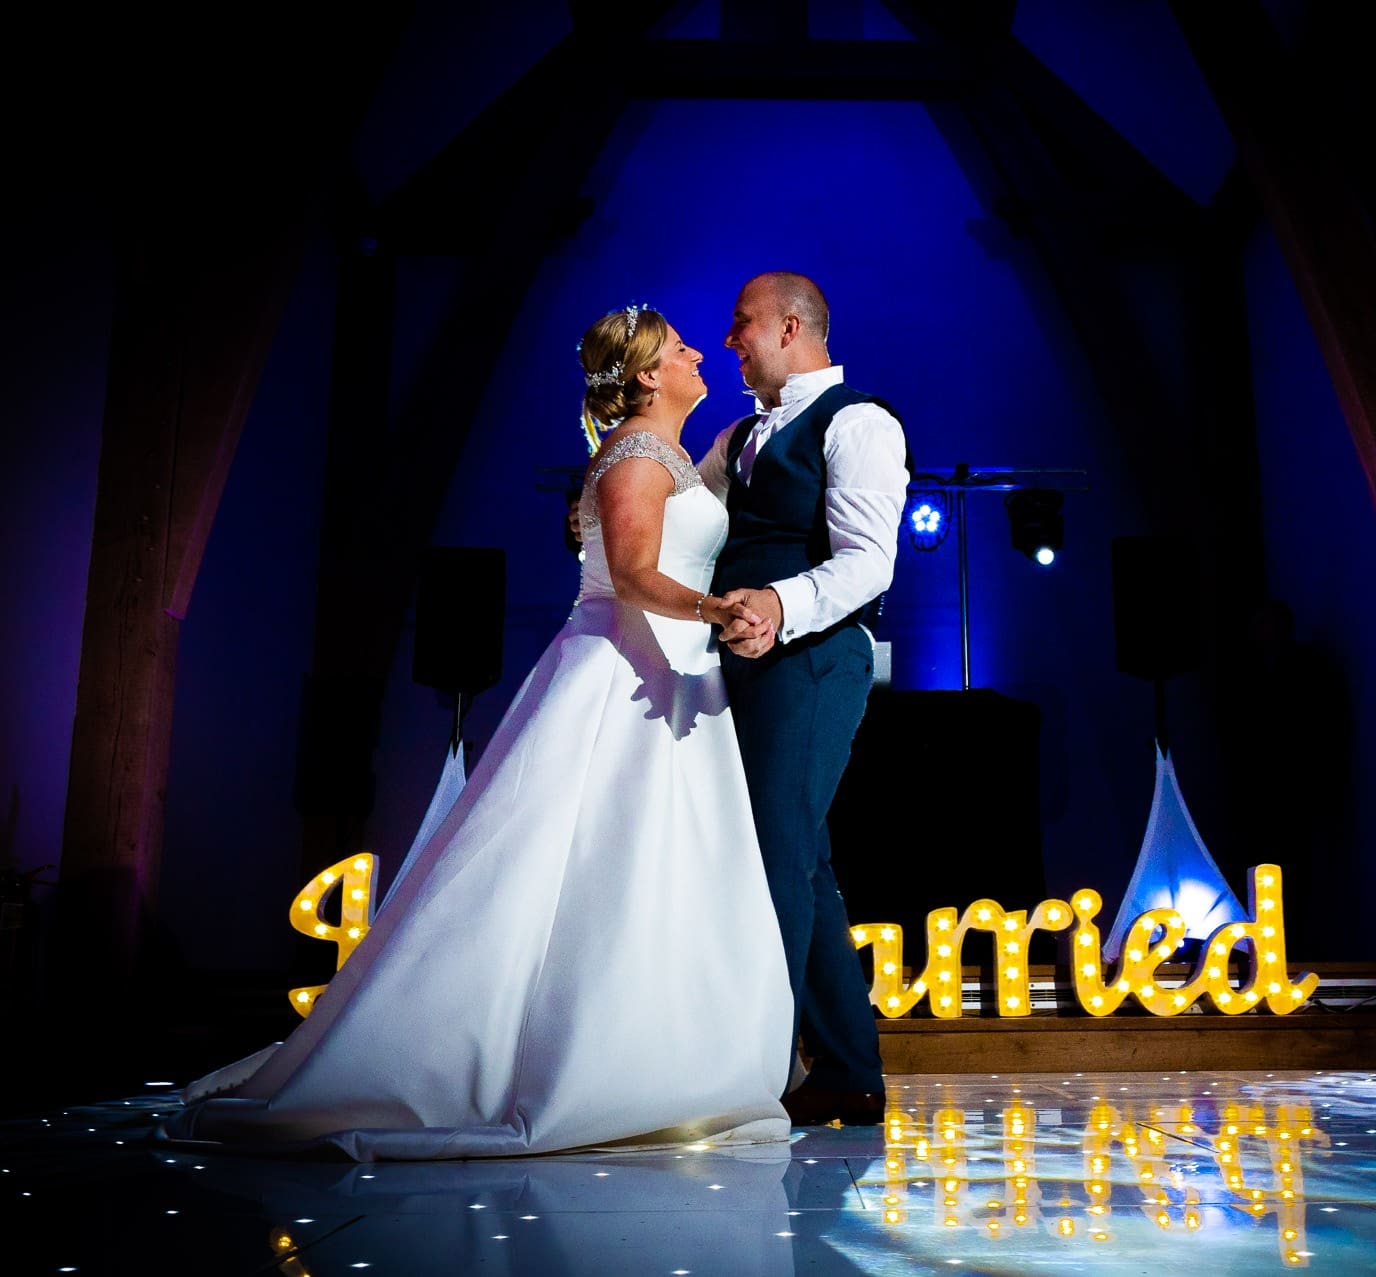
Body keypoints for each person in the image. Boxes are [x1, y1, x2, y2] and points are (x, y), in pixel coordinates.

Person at [162, 305, 794, 1158]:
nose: (697, 355)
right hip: (623, 670)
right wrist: (713, 608)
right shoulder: (639, 455)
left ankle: (659, 1043)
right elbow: (636, 573)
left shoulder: (673, 454)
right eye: (681, 349)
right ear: (649, 373)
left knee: (656, 859)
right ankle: (529, 1056)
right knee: (580, 858)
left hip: (672, 671)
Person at [695, 272, 909, 1127]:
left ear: (790, 327)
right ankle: (850, 1072)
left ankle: (755, 1072)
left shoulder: (859, 423)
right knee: (803, 861)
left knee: (776, 857)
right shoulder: (741, 435)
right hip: (740, 662)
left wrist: (780, 607)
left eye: (741, 323)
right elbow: (683, 519)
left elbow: (869, 561)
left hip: (816, 659)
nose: (729, 341)